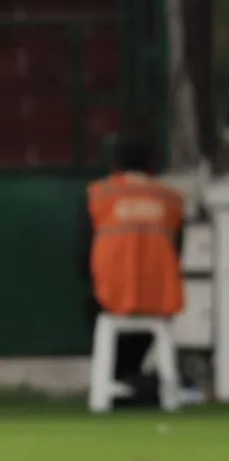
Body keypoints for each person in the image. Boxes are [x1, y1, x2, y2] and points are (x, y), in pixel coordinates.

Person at [80, 139, 185, 405]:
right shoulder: (170, 198)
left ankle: (119, 379)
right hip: (160, 296)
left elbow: (82, 249)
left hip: (110, 295)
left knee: (94, 309)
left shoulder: (99, 194)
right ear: (151, 166)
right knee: (148, 322)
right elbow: (178, 248)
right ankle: (130, 377)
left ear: (114, 166)